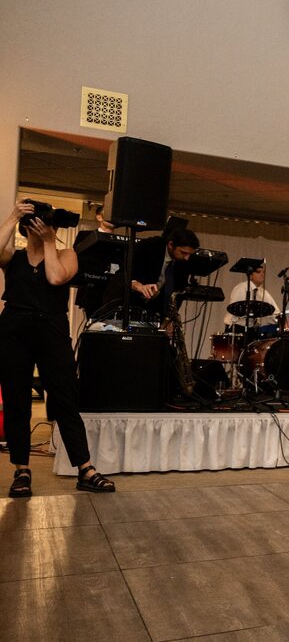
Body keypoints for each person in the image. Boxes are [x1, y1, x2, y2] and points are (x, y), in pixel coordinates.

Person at [1, 200, 115, 497]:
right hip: (13, 327)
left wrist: (50, 241)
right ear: (27, 227)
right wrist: (13, 216)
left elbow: (55, 277)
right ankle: (21, 470)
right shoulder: (13, 256)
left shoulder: (67, 253)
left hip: (51, 328)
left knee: (64, 397)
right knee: (16, 400)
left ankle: (85, 469)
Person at [124, 227, 200, 316]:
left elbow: (178, 292)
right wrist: (137, 285)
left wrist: (169, 318)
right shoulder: (148, 247)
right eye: (183, 253)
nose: (187, 258)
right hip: (127, 303)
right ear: (171, 245)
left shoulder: (184, 260)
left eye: (190, 254)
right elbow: (123, 274)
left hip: (154, 310)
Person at [223, 263, 279, 333]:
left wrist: (279, 320)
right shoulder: (242, 287)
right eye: (258, 272)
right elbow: (235, 309)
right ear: (250, 275)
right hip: (236, 327)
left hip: (251, 329)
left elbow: (275, 312)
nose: (262, 274)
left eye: (263, 272)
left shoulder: (263, 292)